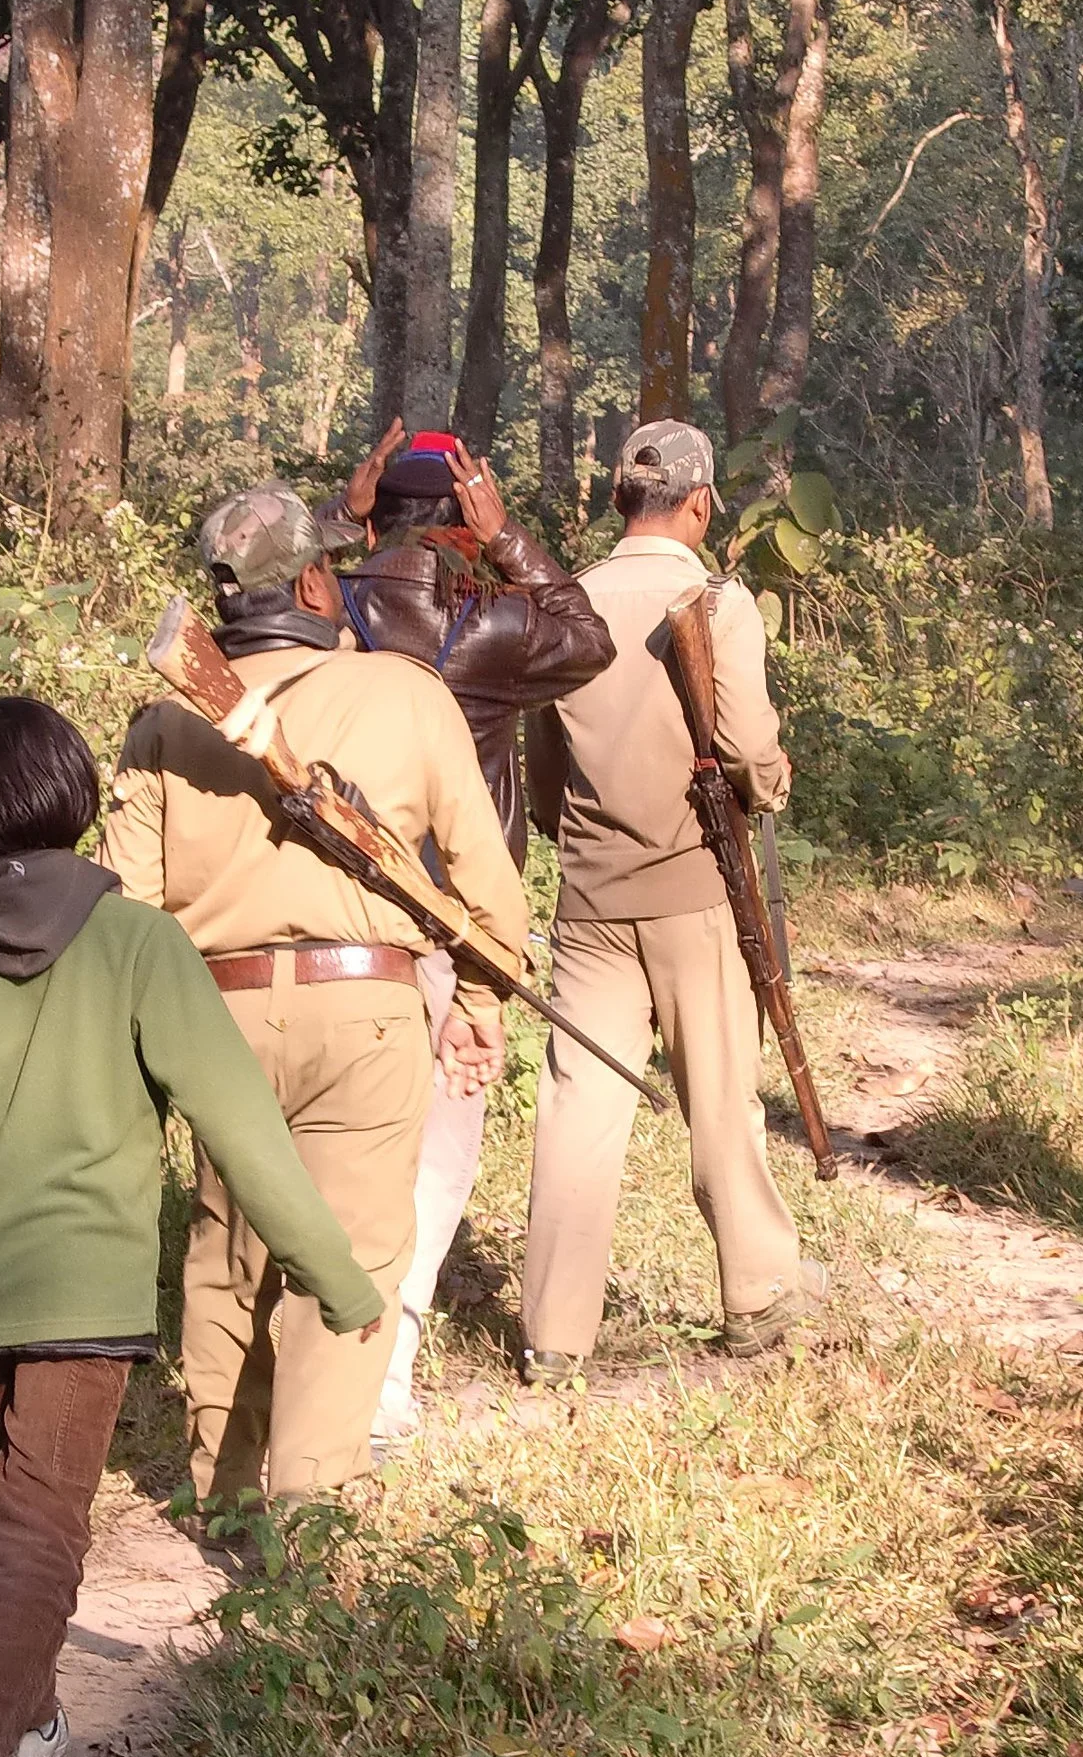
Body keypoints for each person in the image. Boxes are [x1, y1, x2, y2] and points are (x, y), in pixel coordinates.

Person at [0, 697, 384, 1757]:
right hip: (81, 1293)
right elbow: (240, 1124)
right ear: (74, 792)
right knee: (38, 1528)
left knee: (0, 1501)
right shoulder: (139, 942)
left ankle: (28, 1716)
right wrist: (335, 1273)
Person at [98, 484, 528, 1504]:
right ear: (310, 584)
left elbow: (126, 909)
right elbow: (488, 883)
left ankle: (225, 1495)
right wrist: (479, 1003)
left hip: (218, 1020)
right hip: (367, 1012)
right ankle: (309, 1503)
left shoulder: (165, 722)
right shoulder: (407, 693)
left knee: (229, 1253)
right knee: (353, 1254)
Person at [322, 425, 614, 1440]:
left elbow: (244, 600)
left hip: (341, 910)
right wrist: (510, 540)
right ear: (462, 518)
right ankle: (389, 1370)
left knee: (335, 1134)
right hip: (454, 915)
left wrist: (339, 520)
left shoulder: (326, 602)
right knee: (440, 1143)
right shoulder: (492, 624)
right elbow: (588, 639)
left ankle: (320, 1360)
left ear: (382, 512)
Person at [519, 419, 822, 1381]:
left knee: (579, 1108)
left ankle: (554, 1332)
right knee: (722, 1097)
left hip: (589, 901)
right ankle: (756, 1292)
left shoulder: (563, 602)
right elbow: (746, 749)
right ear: (699, 505)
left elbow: (542, 770)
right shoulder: (718, 604)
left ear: (619, 500)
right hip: (700, 889)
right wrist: (772, 782)